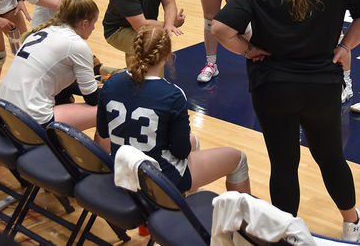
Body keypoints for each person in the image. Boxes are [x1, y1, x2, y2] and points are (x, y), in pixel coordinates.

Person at [212, 0, 360, 242]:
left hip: (272, 88)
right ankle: (351, 222)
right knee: (331, 156)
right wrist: (346, 46)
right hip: (322, 87)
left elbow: (220, 29)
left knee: (284, 163)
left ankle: (287, 233)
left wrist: (248, 50)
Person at [96, 25, 251, 194]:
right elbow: (181, 151)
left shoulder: (111, 83)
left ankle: (188, 201)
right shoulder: (173, 94)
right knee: (238, 158)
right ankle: (242, 219)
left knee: (194, 141)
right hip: (159, 179)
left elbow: (103, 133)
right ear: (167, 56)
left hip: (123, 167)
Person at [0, 0, 102, 136]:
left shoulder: (40, 32)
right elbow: (92, 98)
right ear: (84, 23)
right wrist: (104, 90)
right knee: (106, 110)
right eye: (93, 23)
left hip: (0, 109)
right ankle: (100, 158)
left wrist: (92, 87)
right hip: (29, 120)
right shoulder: (77, 44)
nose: (94, 28)